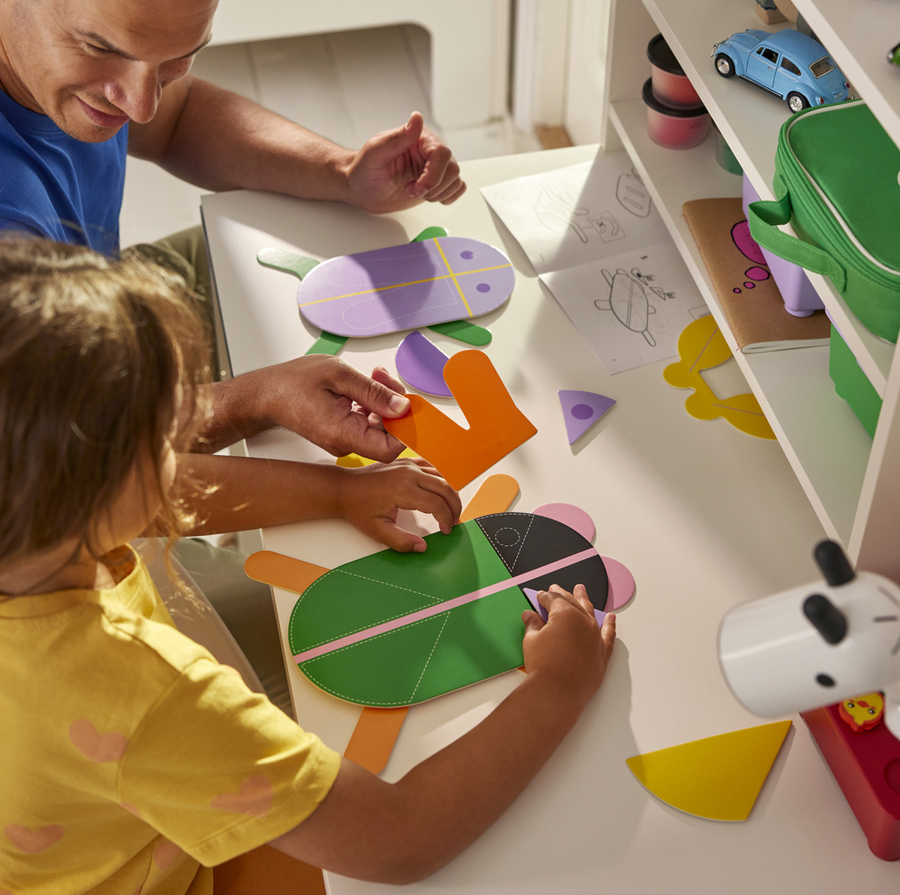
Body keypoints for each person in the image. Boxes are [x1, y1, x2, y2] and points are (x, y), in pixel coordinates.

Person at [0, 237, 618, 893]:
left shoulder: (28, 530)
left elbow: (150, 495)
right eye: (162, 436)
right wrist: (559, 685)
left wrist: (336, 491)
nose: (186, 440)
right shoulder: (145, 695)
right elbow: (399, 839)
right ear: (92, 492)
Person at [0, 0, 473, 708]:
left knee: (267, 258)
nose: (141, 103)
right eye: (102, 50)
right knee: (342, 636)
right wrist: (279, 429)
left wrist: (341, 171)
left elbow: (178, 117)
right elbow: (86, 482)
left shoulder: (105, 71)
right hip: (39, 530)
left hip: (81, 330)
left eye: (174, 61)